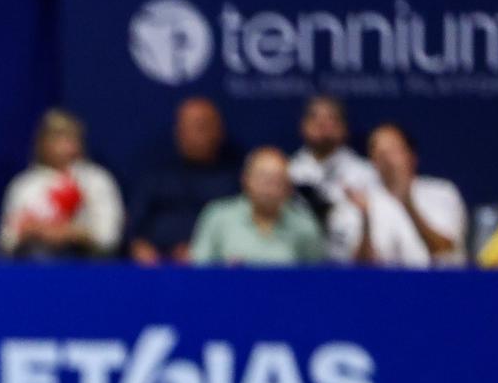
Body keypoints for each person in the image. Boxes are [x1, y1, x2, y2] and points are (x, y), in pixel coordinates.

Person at [124, 97, 240, 265]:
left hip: (213, 269)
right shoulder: (156, 176)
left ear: (218, 131)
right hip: (156, 269)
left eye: (200, 127)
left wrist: (202, 253)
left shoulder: (234, 181)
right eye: (184, 127)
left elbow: (241, 233)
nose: (191, 134)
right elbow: (133, 223)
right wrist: (139, 246)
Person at [0, 108, 123, 259]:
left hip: (87, 265)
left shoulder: (96, 179)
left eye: (69, 139)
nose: (63, 147)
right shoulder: (24, 185)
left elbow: (109, 236)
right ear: (42, 142)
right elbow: (6, 241)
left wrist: (73, 233)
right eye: (56, 139)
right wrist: (35, 231)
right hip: (35, 264)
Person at [335, 124, 465, 267]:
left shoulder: (442, 192)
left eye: (393, 150)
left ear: (412, 156)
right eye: (379, 152)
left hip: (439, 285)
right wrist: (366, 219)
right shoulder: (358, 201)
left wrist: (408, 204)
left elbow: (444, 250)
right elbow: (359, 268)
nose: (386, 159)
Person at [189, 147, 326, 266]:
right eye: (263, 178)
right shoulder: (217, 216)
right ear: (245, 179)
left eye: (277, 181)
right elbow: (198, 269)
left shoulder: (304, 223)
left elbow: (316, 278)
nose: (268, 188)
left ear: (288, 188)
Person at [287, 94, 376, 260]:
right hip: (300, 261)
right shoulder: (288, 173)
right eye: (315, 118)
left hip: (352, 261)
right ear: (303, 125)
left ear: (344, 127)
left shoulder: (366, 173)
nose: (323, 124)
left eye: (331, 118)